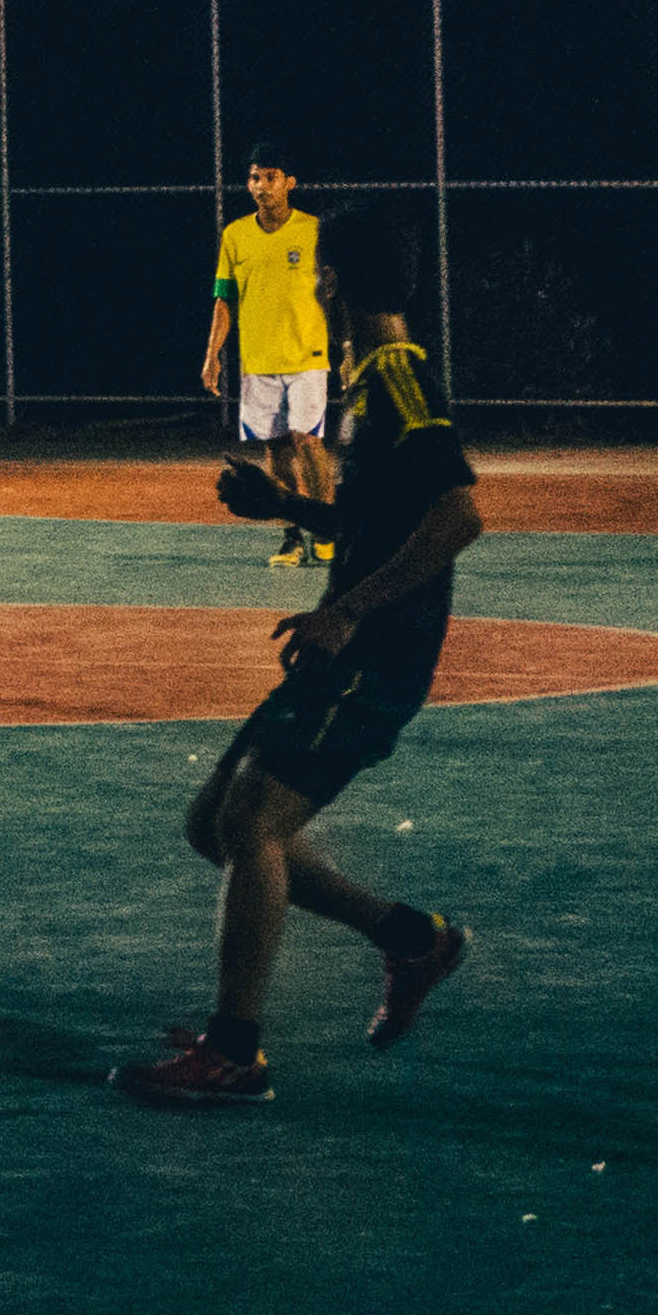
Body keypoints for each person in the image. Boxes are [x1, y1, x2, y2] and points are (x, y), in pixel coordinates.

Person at [120, 309, 478, 1105]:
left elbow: (459, 515)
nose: (313, 289)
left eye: (323, 275)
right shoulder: (367, 381)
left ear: (350, 285)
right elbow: (380, 515)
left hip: (375, 653)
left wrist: (350, 609)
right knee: (213, 826)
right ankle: (412, 940)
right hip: (343, 649)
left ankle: (234, 1054)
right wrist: (291, 507)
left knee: (250, 824)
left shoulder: (397, 376)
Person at [200, 156, 340, 567]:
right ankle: (291, 537)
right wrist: (212, 354)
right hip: (258, 360)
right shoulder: (236, 235)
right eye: (254, 178)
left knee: (308, 441)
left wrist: (346, 348)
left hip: (307, 355)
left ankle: (328, 529)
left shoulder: (313, 230)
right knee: (276, 451)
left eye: (271, 178)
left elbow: (334, 294)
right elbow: (223, 300)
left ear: (289, 182)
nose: (261, 186)